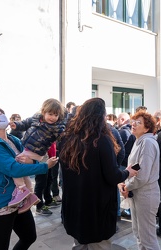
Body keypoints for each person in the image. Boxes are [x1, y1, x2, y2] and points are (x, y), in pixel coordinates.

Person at [0, 106, 58, 250]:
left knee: (29, 236)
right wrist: (45, 166)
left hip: (20, 199)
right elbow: (13, 169)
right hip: (0, 202)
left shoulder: (13, 139)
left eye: (2, 113)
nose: (2, 116)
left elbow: (29, 158)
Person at [59, 98, 136, 249]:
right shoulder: (101, 140)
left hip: (75, 203)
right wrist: (127, 172)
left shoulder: (67, 138)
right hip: (96, 206)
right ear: (101, 116)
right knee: (99, 245)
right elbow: (112, 175)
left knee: (79, 243)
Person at [9, 98, 65, 211]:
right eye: (50, 114)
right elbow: (25, 123)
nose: (53, 117)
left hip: (36, 151)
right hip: (27, 147)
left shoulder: (56, 127)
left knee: (15, 166)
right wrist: (16, 125)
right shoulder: (35, 118)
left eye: (56, 115)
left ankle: (21, 190)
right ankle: (29, 194)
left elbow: (63, 137)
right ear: (43, 111)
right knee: (25, 173)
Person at [118, 111, 161, 249]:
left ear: (147, 128)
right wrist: (126, 185)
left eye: (139, 123)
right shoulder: (140, 141)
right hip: (138, 193)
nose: (134, 125)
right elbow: (136, 167)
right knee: (139, 234)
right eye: (134, 121)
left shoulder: (147, 142)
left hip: (146, 194)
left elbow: (142, 175)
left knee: (147, 237)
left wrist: (126, 186)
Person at [117, 112, 136, 219]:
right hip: (128, 164)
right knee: (127, 188)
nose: (117, 121)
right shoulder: (130, 131)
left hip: (124, 164)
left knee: (122, 188)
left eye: (119, 119)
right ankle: (128, 209)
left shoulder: (124, 132)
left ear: (123, 119)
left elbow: (119, 150)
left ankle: (122, 211)